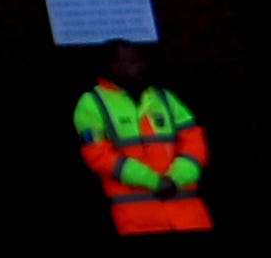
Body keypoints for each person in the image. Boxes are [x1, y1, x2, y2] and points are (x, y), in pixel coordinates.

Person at [73, 42, 213, 237]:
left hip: (189, 218)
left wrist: (176, 178)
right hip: (139, 221)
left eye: (140, 60)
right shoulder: (93, 103)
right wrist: (154, 181)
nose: (140, 65)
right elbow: (98, 155)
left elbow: (194, 141)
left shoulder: (164, 98)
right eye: (131, 61)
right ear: (113, 66)